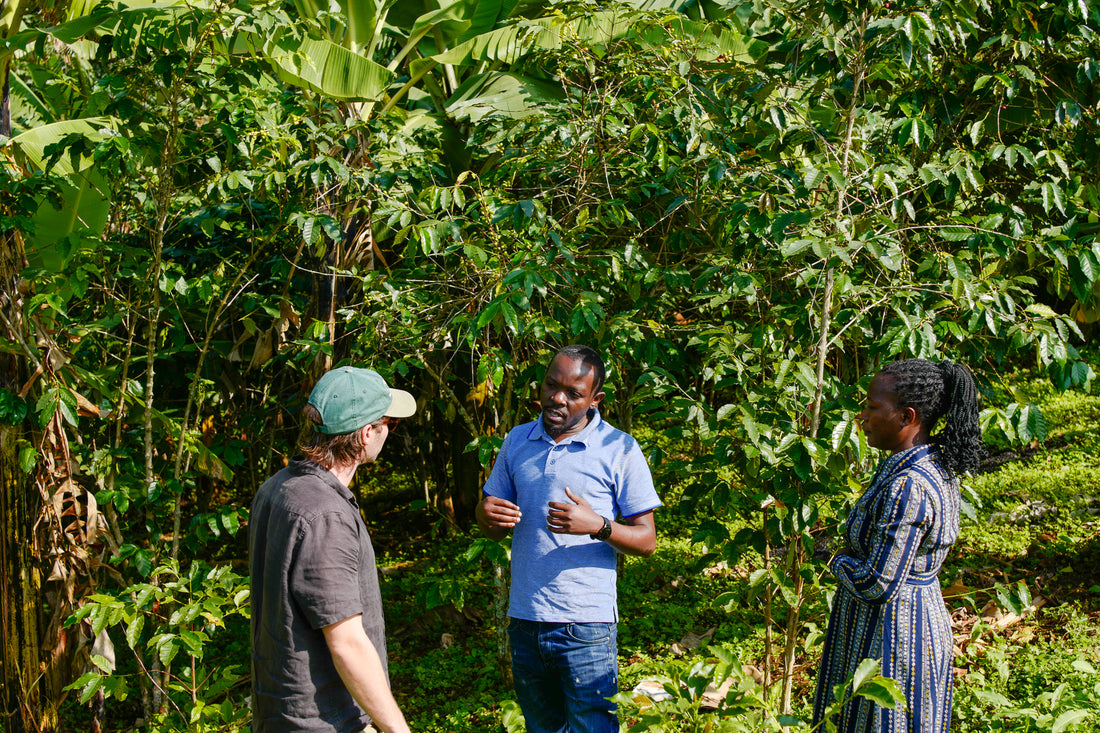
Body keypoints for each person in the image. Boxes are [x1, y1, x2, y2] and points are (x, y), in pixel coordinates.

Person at [476, 345, 661, 733]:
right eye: (551, 385)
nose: (557, 398)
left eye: (574, 393)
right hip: (525, 620)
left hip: (586, 627)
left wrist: (598, 525)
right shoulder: (516, 441)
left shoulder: (620, 449)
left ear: (596, 400)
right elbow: (488, 516)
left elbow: (647, 541)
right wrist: (486, 514)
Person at [813, 358, 983, 733]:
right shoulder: (922, 466)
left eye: (873, 408)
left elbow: (879, 584)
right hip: (897, 625)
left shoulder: (910, 485)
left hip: (895, 639)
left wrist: (834, 560)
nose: (863, 417)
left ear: (906, 417)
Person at [249, 366, 417, 733]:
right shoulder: (325, 514)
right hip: (324, 720)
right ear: (366, 433)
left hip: (279, 710)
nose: (389, 431)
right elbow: (346, 642)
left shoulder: (278, 487)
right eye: (388, 422)